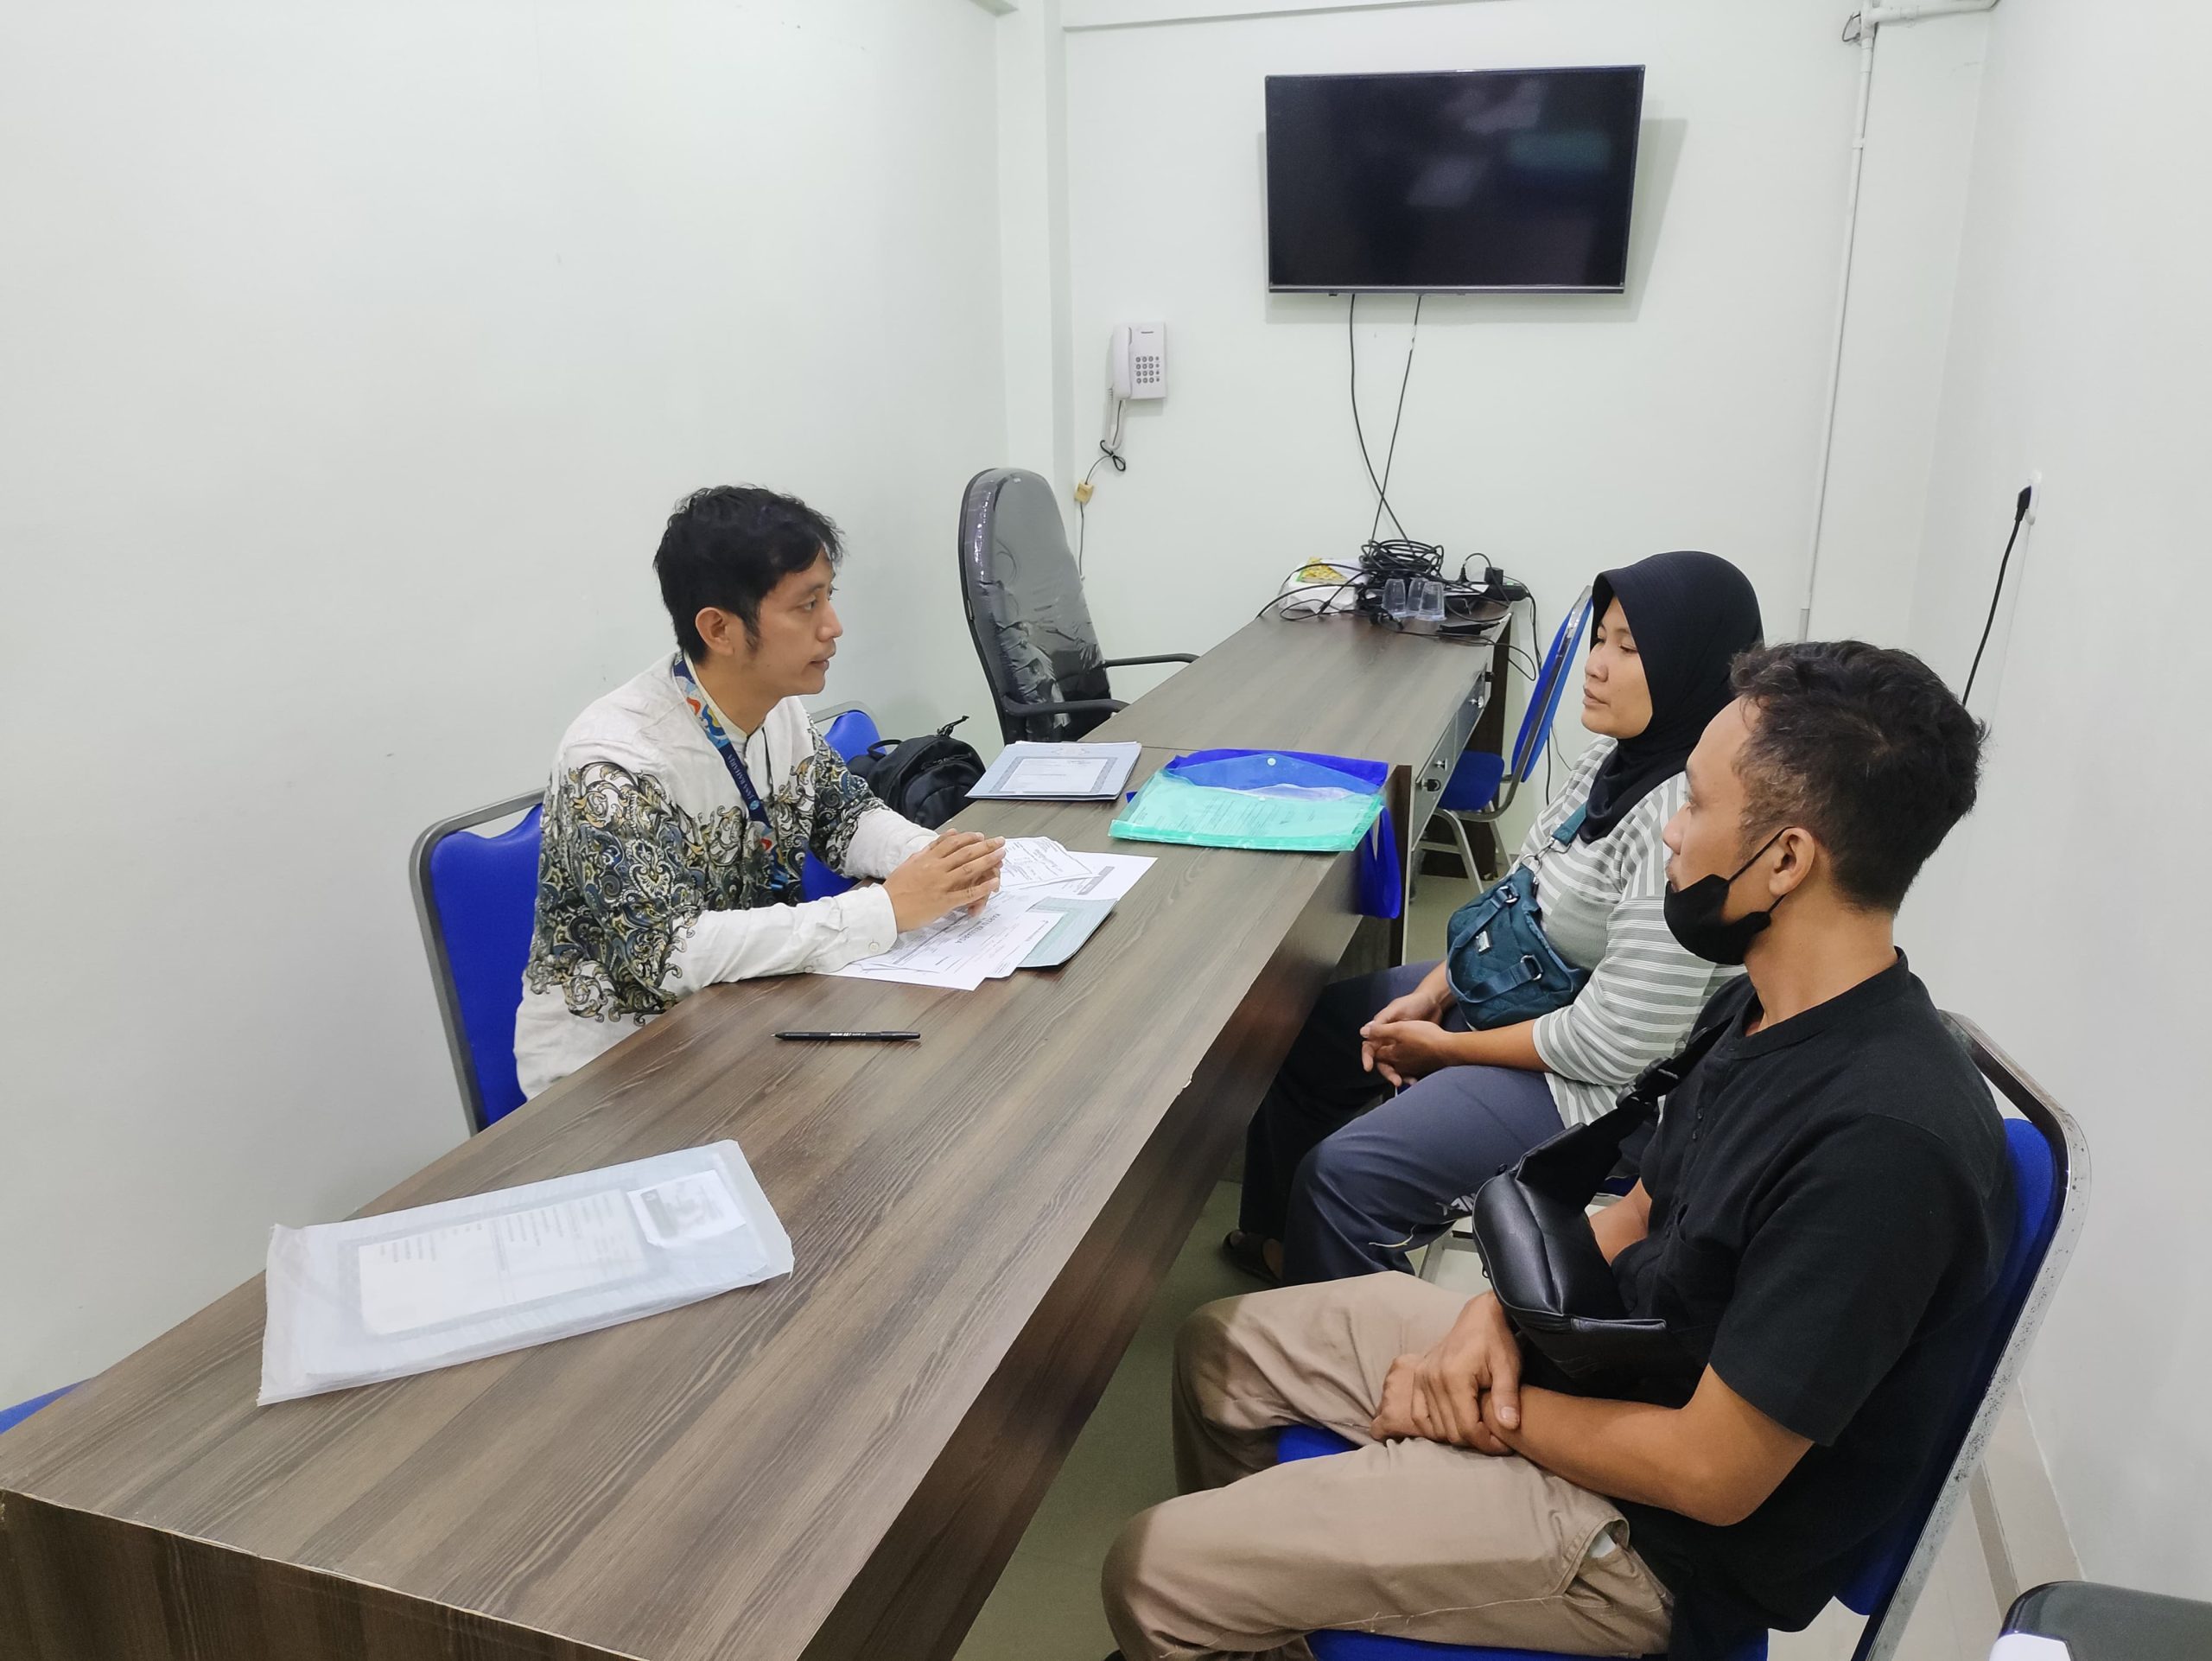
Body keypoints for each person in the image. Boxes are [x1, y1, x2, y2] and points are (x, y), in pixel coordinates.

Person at [1103, 640, 2008, 1661]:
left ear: (1787, 859)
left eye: (1695, 804)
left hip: (1655, 1545)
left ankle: (1254, 1597)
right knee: (1219, 1351)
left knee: (1150, 1569)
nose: (1672, 832)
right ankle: (1278, 1616)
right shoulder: (1764, 1004)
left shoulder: (1882, 1147)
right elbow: (1639, 1212)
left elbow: (1710, 1472)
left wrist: (1484, 1413)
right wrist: (1492, 1315)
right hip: (1604, 1365)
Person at [1229, 550, 1764, 1285]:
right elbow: (1518, 888)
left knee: (1343, 1178)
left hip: (1598, 1091)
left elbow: (1614, 1049)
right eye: (1600, 639)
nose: (1596, 666)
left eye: (1629, 650)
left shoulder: (1682, 817)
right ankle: (1287, 1249)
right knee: (1305, 1034)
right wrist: (1436, 990)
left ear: (1694, 667)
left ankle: (1343, 1331)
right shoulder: (1614, 759)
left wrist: (1445, 1050)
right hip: (1525, 990)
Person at [514, 486, 1005, 1098]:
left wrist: (938, 862)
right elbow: (674, 955)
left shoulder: (780, 709)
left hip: (744, 1020)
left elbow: (845, 818)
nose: (833, 627)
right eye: (807, 605)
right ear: (719, 628)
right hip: (614, 1074)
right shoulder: (614, 763)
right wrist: (886, 909)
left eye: (829, 597)